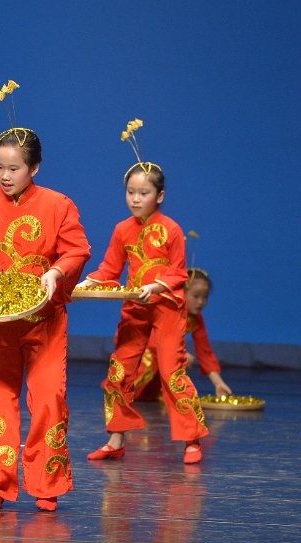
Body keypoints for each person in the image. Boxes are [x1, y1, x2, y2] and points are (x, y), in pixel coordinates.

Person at [0, 127, 91, 511]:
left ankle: (46, 483)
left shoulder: (58, 205)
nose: (5, 176)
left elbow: (77, 250)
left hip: (45, 319)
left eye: (14, 168)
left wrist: (56, 272)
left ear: (34, 167)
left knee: (49, 398)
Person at [82, 161, 208, 465]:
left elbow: (179, 272)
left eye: (143, 193)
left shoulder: (171, 229)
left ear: (160, 196)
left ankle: (191, 438)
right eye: (130, 192)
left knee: (171, 372)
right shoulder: (122, 230)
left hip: (167, 308)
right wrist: (88, 282)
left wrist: (155, 286)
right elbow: (110, 269)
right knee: (119, 371)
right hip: (136, 307)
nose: (135, 199)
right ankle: (116, 439)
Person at [133, 268, 232, 401]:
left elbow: (205, 352)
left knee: (178, 359)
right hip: (143, 348)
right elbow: (152, 340)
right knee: (168, 357)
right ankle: (126, 390)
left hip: (162, 351)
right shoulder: (170, 310)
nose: (201, 302)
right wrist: (178, 352)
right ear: (182, 293)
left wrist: (218, 383)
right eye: (196, 296)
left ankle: (160, 391)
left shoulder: (196, 319)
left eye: (205, 297)